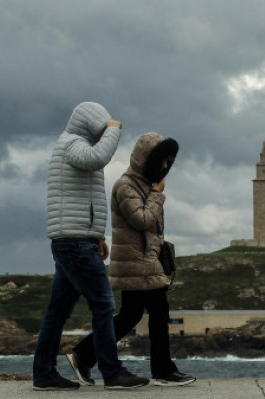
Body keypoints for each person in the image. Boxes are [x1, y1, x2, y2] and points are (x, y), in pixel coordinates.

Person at [32, 102, 149, 391]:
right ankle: (113, 372)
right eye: (101, 128)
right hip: (74, 243)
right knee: (104, 305)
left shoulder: (73, 145)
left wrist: (97, 236)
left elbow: (83, 194)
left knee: (57, 312)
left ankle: (43, 374)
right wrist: (113, 130)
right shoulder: (73, 144)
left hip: (75, 241)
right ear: (91, 125)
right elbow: (97, 159)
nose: (103, 133)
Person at [67, 132, 196, 387]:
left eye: (169, 162)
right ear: (146, 159)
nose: (166, 167)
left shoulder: (144, 185)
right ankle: (162, 370)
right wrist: (158, 195)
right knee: (158, 311)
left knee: (130, 316)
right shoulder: (126, 185)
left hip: (143, 261)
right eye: (162, 161)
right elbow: (142, 219)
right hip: (138, 262)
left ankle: (83, 354)